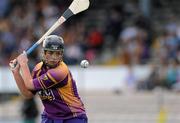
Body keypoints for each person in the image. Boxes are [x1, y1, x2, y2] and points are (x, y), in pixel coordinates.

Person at [9, 35, 88, 123]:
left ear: (61, 54)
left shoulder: (60, 72)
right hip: (50, 117)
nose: (54, 57)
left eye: (57, 53)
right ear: (44, 53)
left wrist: (23, 63)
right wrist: (15, 72)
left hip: (72, 117)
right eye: (50, 53)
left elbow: (29, 84)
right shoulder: (38, 69)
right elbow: (28, 94)